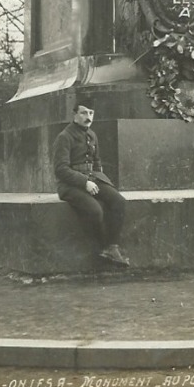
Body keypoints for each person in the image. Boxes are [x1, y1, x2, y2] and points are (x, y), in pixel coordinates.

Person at [53, 100, 129, 266]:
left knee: (118, 201)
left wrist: (103, 183)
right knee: (95, 210)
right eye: (84, 113)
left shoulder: (92, 135)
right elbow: (60, 169)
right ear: (74, 115)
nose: (88, 117)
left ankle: (112, 247)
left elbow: (96, 162)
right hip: (69, 186)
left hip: (92, 179)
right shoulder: (64, 137)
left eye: (91, 113)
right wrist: (84, 182)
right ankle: (103, 247)